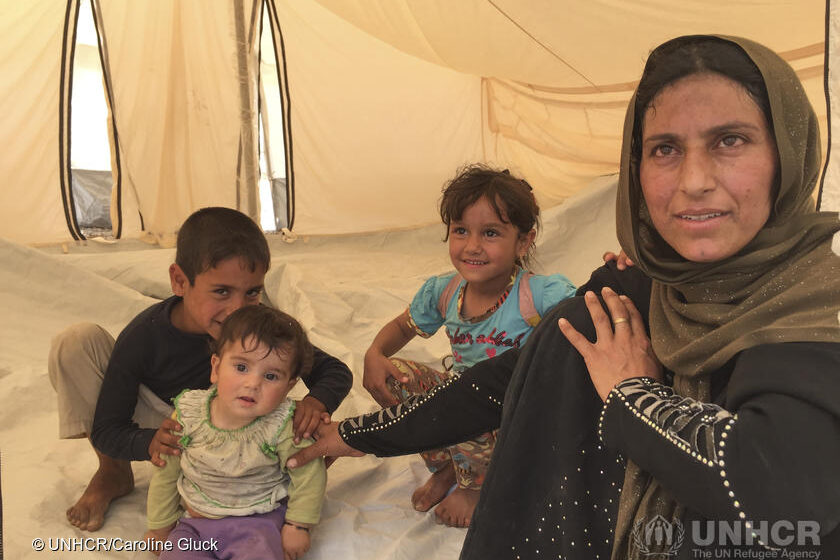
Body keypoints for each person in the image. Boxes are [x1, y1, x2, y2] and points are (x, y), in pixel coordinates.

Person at [286, 35, 840, 559]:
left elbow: (786, 496)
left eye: (730, 140)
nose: (694, 180)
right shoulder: (637, 288)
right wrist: (359, 436)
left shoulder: (814, 309)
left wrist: (634, 395)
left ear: (787, 154)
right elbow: (514, 378)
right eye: (665, 149)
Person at [48, 207, 352, 532]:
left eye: (252, 291)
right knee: (76, 341)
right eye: (221, 291)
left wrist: (314, 403)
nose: (238, 308)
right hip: (174, 425)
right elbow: (108, 429)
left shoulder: (257, 325)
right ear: (180, 281)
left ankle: (216, 480)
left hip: (234, 423)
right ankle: (113, 473)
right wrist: (151, 441)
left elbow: (335, 371)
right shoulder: (144, 336)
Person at [362, 164, 576, 526]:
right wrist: (375, 353)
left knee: (467, 399)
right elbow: (402, 325)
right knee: (402, 378)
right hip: (462, 398)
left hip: (513, 408)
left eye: (490, 233)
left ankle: (475, 487)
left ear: (523, 241)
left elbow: (585, 318)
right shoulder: (443, 291)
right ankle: (449, 467)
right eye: (461, 230)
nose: (472, 246)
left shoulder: (538, 295)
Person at [144, 305, 325, 560]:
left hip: (257, 521)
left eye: (271, 376)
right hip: (193, 523)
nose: (253, 383)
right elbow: (166, 470)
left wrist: (298, 525)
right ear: (216, 368)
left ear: (289, 386)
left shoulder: (283, 424)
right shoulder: (189, 415)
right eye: (241, 367)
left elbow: (309, 474)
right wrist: (160, 525)